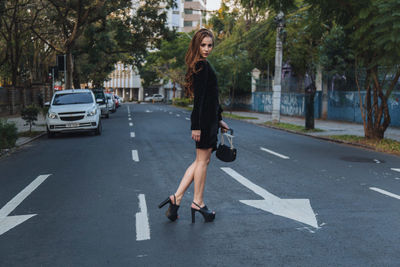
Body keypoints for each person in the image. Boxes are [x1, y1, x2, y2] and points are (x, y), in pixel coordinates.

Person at [158, 28, 229, 223]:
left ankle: (176, 198)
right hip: (204, 123)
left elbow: (212, 97)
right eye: (203, 45)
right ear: (197, 45)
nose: (207, 49)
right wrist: (196, 126)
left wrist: (219, 118)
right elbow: (200, 100)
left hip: (209, 121)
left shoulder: (202, 65)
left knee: (201, 161)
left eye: (210, 45)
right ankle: (198, 202)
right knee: (202, 162)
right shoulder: (201, 66)